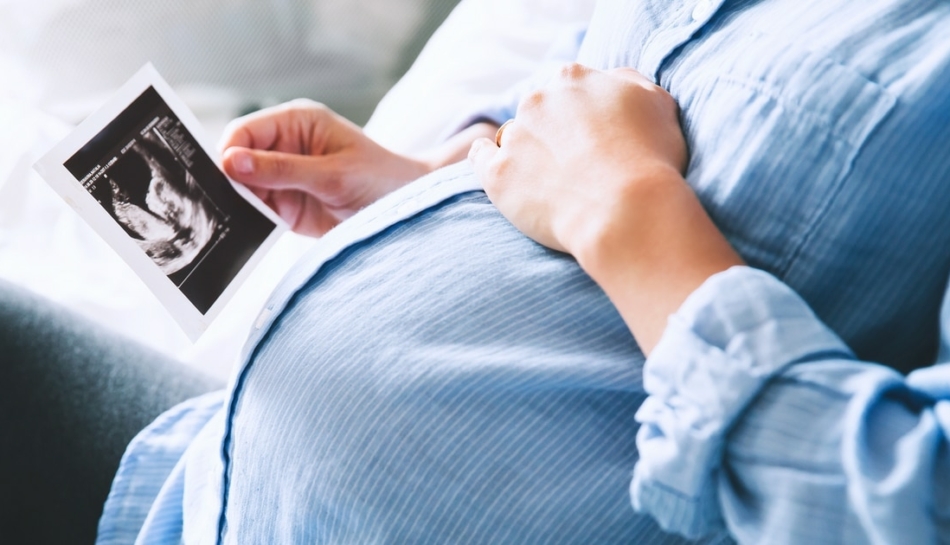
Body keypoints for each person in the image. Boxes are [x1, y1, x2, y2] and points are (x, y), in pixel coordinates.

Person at [2, 0, 949, 543]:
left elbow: (906, 498)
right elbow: (607, 118)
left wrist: (621, 205)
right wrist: (431, 186)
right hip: (213, 490)